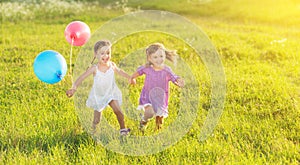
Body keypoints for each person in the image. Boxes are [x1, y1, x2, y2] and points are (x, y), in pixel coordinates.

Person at [66, 40, 133, 136]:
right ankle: (93, 132)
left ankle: (123, 130)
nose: (106, 56)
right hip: (99, 96)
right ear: (96, 54)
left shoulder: (112, 65)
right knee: (97, 120)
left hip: (111, 93)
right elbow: (81, 77)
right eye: (102, 53)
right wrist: (74, 88)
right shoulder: (94, 68)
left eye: (108, 53)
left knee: (118, 111)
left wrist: (129, 77)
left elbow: (120, 71)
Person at [130, 43, 184, 131]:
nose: (159, 59)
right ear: (149, 58)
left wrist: (178, 81)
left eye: (161, 56)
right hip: (147, 96)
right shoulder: (147, 68)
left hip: (161, 97)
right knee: (150, 112)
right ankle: (143, 121)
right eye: (155, 57)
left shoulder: (166, 70)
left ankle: (157, 133)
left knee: (160, 118)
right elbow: (138, 72)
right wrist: (132, 78)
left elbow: (173, 77)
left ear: (164, 56)